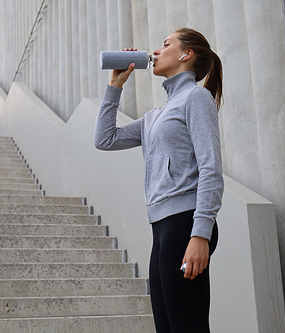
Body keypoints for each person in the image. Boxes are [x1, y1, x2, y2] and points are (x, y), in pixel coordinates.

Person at [94, 27, 224, 333]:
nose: (156, 51)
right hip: (162, 226)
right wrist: (115, 85)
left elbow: (211, 167)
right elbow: (105, 139)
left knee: (187, 327)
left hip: (186, 223)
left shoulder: (197, 97)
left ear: (185, 54)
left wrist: (200, 234)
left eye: (166, 44)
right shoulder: (154, 116)